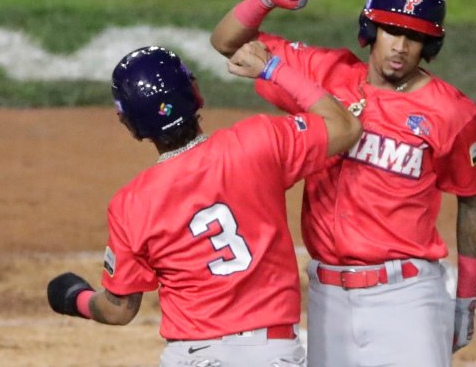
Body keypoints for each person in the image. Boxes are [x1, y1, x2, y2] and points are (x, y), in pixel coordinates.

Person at [210, 0, 476, 366]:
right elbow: (226, 42)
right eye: (392, 30)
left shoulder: (452, 113)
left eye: (414, 36)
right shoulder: (323, 75)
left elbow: (472, 198)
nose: (401, 46)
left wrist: (465, 297)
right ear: (371, 28)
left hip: (406, 299)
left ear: (429, 43)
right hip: (328, 298)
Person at [45, 44, 362, 367]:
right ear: (194, 92)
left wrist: (75, 298)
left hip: (193, 358)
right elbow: (345, 127)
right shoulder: (258, 142)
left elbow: (118, 309)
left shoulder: (132, 204)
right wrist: (274, 69)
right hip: (271, 354)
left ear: (129, 124)